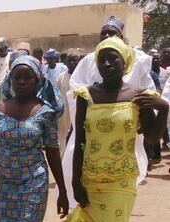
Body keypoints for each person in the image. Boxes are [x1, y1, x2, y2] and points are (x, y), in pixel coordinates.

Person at [68, 36, 168, 222]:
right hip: (90, 178)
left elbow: (152, 138)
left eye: (112, 58)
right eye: (101, 60)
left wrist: (163, 108)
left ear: (125, 61)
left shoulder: (138, 96)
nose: (106, 64)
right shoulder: (86, 96)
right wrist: (76, 182)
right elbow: (80, 140)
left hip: (121, 181)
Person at [0, 56, 68, 221]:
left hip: (34, 182)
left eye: (28, 78)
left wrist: (62, 190)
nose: (21, 81)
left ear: (37, 80)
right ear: (10, 79)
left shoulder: (46, 112)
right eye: (17, 77)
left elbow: (53, 152)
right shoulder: (0, 109)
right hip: (5, 183)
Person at [56, 49, 84, 158]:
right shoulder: (61, 77)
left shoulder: (82, 77)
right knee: (63, 139)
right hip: (64, 115)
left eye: (75, 61)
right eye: (69, 61)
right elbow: (57, 95)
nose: (72, 63)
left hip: (77, 112)